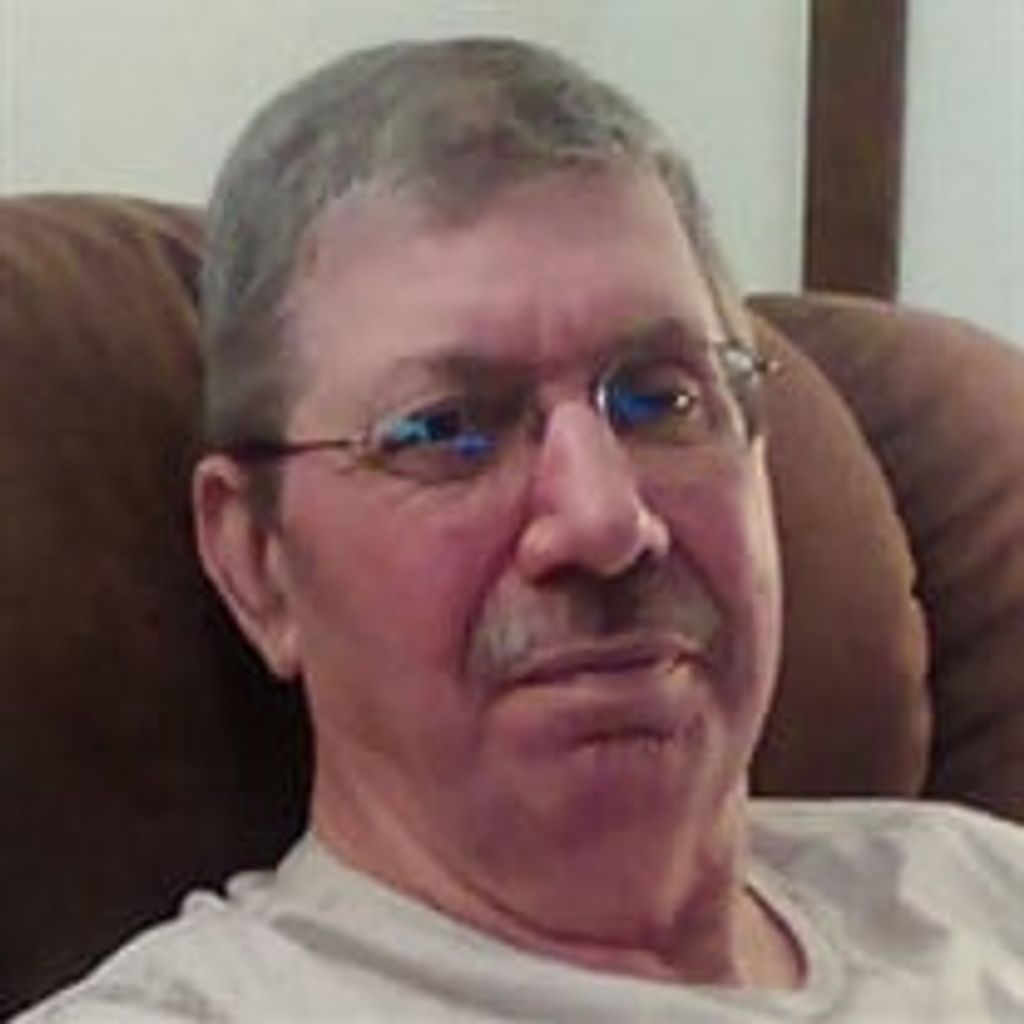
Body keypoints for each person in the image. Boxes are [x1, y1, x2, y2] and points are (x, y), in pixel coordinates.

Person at [16, 36, 1024, 1024]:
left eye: (663, 400)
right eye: (445, 430)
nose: (603, 520)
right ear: (259, 565)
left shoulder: (973, 884)